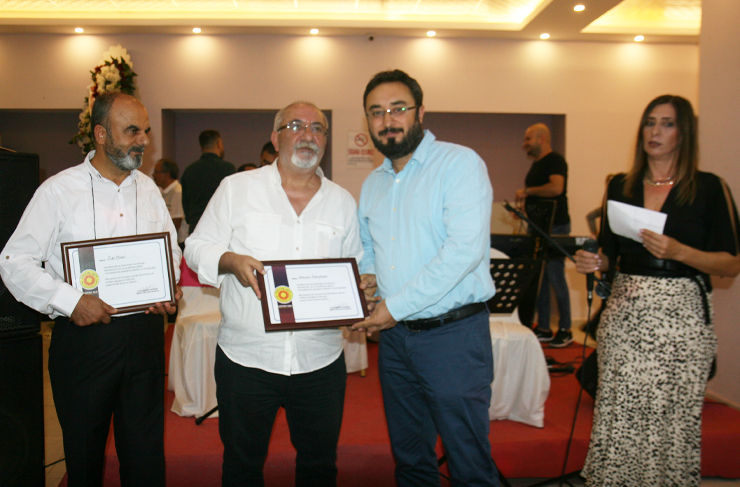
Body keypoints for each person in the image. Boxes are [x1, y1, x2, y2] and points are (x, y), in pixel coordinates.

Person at [0, 91, 182, 487]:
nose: (143, 140)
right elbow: (14, 261)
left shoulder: (149, 190)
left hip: (144, 340)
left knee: (146, 458)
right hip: (84, 342)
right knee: (84, 460)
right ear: (101, 134)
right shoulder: (58, 191)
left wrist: (167, 286)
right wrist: (70, 301)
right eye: (132, 131)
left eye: (145, 131)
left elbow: (170, 251)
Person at [184, 101, 362, 486]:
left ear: (325, 140)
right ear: (275, 137)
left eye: (317, 128)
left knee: (319, 467)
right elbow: (195, 247)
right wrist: (230, 260)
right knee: (242, 467)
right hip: (247, 359)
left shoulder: (343, 202)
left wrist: (360, 295)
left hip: (320, 361)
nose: (307, 135)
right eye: (295, 125)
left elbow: (357, 268)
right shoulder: (237, 189)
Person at [574, 94, 740, 486]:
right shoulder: (620, 185)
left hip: (681, 321)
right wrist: (594, 262)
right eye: (650, 122)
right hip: (625, 317)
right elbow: (610, 255)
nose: (655, 131)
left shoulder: (709, 188)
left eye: (667, 123)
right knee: (621, 415)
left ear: (684, 133)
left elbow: (731, 263)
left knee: (670, 418)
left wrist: (680, 252)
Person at [351, 70, 499, 487]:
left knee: (468, 463)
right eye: (376, 112)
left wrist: (392, 307)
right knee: (411, 460)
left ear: (420, 112)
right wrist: (368, 279)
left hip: (453, 338)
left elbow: (462, 253)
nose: (388, 120)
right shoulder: (373, 184)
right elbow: (370, 247)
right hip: (396, 342)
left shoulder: (459, 164)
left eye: (398, 108)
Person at [515, 123, 573, 347]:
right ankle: (545, 327)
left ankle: (566, 329)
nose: (525, 144)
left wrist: (527, 191)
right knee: (541, 279)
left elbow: (556, 188)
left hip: (555, 227)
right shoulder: (537, 164)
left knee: (556, 277)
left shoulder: (555, 160)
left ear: (541, 139)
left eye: (528, 139)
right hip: (538, 227)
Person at [181, 129, 235, 234]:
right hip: (220, 228)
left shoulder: (190, 170)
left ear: (201, 146)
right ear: (219, 144)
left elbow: (185, 203)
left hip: (196, 226)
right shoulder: (228, 169)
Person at [153, 157, 188, 249]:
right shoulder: (163, 192)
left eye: (156, 172)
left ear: (167, 175)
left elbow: (176, 223)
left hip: (178, 243)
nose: (153, 175)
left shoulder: (177, 192)